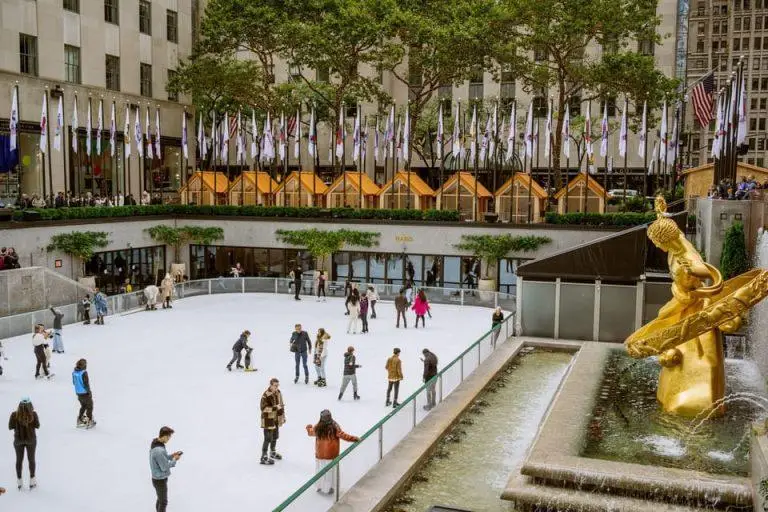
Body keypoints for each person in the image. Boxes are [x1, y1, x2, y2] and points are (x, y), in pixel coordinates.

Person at [305, 410, 360, 495]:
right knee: (330, 472)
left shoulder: (318, 426)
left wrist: (309, 427)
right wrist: (355, 439)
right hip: (331, 455)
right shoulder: (334, 426)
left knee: (320, 470)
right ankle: (328, 488)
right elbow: (343, 435)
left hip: (319, 454)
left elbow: (311, 432)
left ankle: (320, 486)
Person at [9, 398, 40, 491]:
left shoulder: (14, 415)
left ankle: (19, 483)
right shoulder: (33, 414)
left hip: (18, 441)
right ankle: (32, 481)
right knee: (31, 459)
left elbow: (10, 427)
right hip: (31, 440)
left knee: (19, 460)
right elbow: (37, 425)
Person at [149, 426, 182, 512]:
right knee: (163, 502)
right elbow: (164, 467)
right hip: (160, 480)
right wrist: (175, 459)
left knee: (160, 499)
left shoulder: (156, 444)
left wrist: (172, 456)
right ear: (164, 436)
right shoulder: (159, 451)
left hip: (157, 478)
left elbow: (164, 458)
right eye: (168, 437)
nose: (169, 439)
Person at [260, 378, 285, 465]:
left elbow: (281, 404)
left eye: (277, 385)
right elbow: (263, 409)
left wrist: (283, 416)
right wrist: (275, 408)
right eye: (275, 385)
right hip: (268, 419)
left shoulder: (278, 392)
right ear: (270, 385)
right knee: (267, 438)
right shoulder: (266, 395)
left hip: (276, 419)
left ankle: (272, 452)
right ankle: (264, 456)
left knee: (275, 436)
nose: (276, 387)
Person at [72, 358, 95, 428]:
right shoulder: (84, 372)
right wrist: (89, 392)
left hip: (78, 392)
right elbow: (86, 384)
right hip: (85, 393)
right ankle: (90, 420)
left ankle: (80, 419)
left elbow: (74, 382)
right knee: (90, 406)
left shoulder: (74, 372)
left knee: (83, 406)